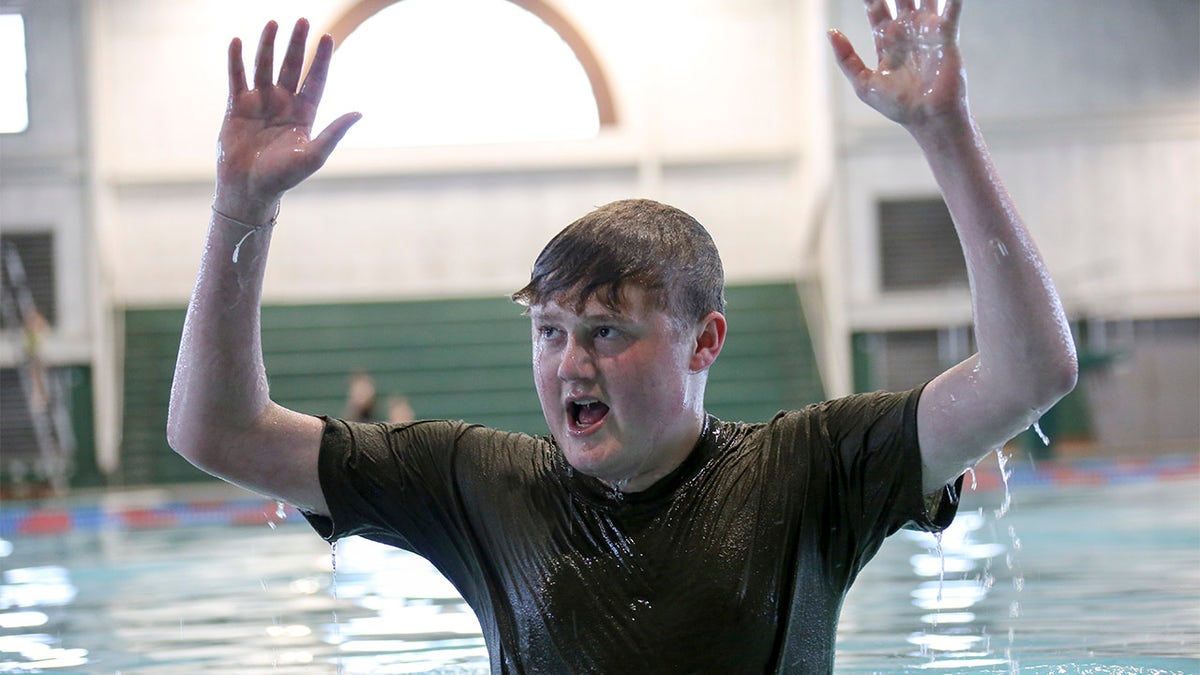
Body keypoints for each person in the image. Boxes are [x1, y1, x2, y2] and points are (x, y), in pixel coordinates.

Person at [167, 1, 1078, 671]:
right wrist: (241, 209)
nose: (571, 362)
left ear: (704, 340)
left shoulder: (812, 470)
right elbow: (217, 434)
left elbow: (1030, 371)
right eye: (551, 329)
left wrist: (945, 130)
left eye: (606, 331)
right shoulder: (478, 484)